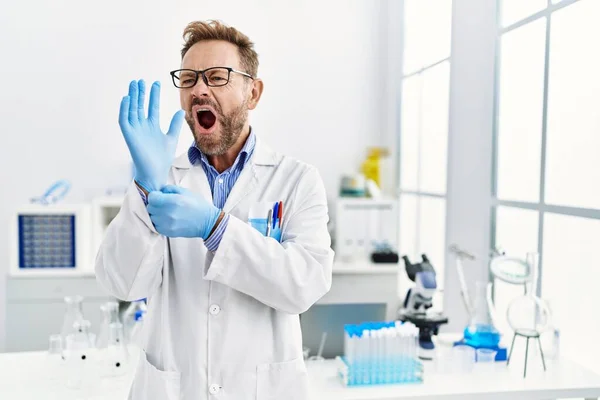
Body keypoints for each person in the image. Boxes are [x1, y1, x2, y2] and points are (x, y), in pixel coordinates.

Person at [95, 20, 334, 400]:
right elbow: (123, 284)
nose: (199, 89)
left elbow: (303, 285)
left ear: (252, 92)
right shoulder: (162, 177)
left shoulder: (298, 180)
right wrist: (145, 186)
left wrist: (215, 228)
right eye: (188, 79)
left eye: (217, 77)